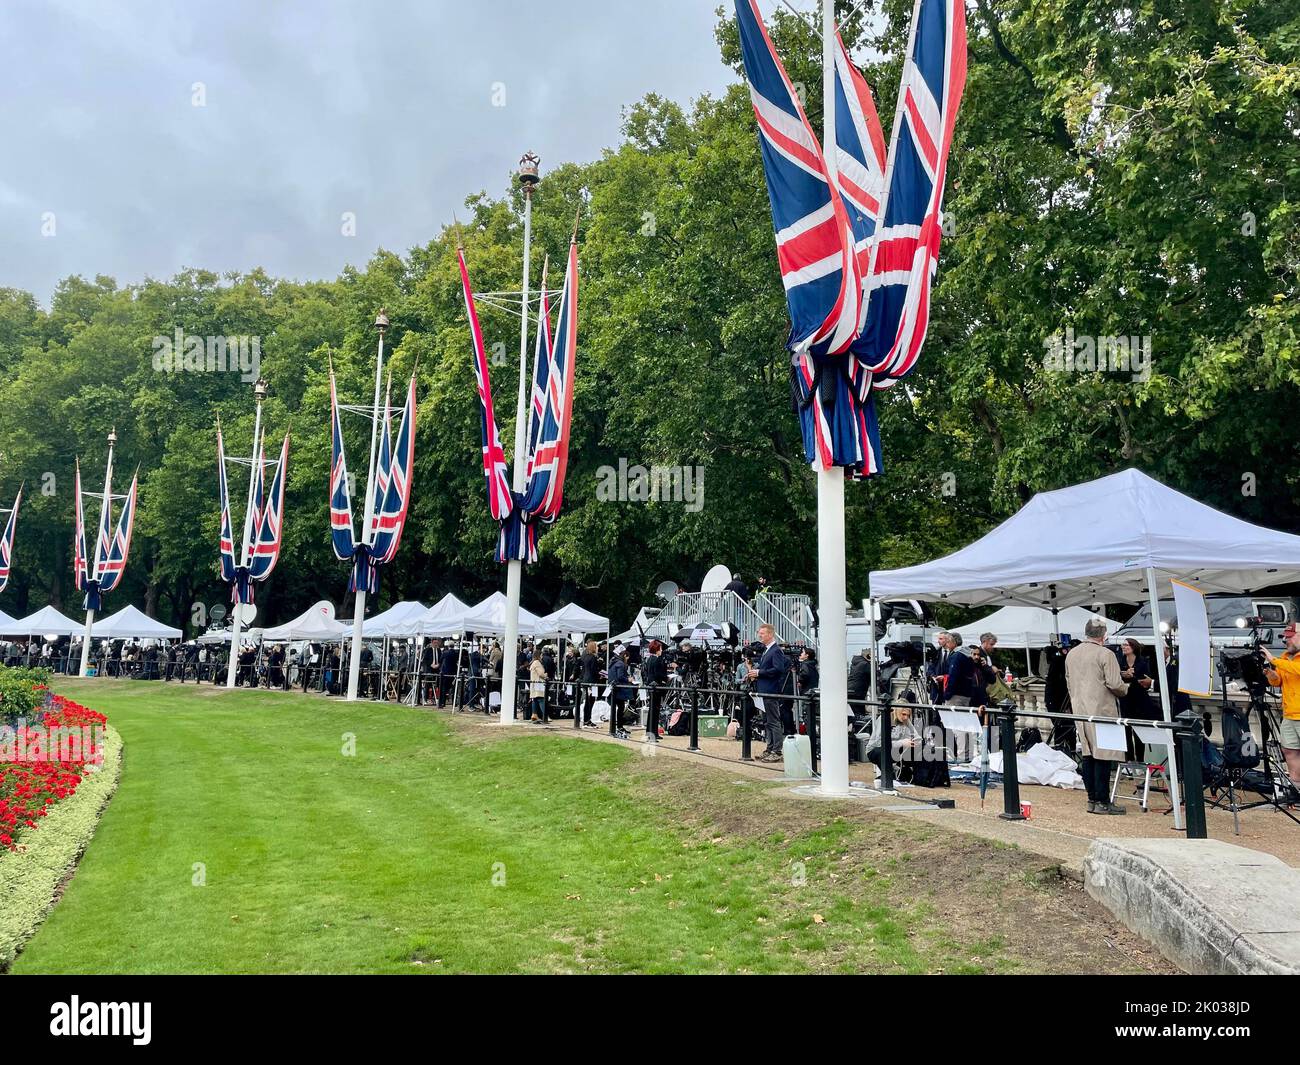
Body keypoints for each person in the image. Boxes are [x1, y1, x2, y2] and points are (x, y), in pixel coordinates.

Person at [1065, 618, 1130, 814]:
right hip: (1101, 709)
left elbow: (1069, 682)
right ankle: (1102, 800)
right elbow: (1115, 684)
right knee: (1104, 755)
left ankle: (1092, 798)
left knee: (1088, 754)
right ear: (1103, 634)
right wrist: (1125, 688)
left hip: (1080, 709)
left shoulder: (1072, 654)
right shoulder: (1106, 654)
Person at [1264, 622, 1300, 789]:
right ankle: (1296, 786)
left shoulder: (1284, 660)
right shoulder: (1285, 658)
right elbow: (1278, 681)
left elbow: (1296, 670)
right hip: (1289, 714)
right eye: (1285, 637)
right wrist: (1270, 673)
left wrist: (1274, 660)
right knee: (1289, 750)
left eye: (1290, 637)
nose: (1286, 640)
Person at [748, 623, 789, 763]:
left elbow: (779, 669)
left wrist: (760, 672)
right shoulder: (767, 650)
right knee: (767, 721)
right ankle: (770, 748)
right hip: (764, 690)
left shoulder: (776, 650)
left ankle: (776, 750)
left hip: (770, 690)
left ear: (770, 634)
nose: (760, 635)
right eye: (760, 633)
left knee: (773, 721)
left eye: (763, 633)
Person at [640, 640, 667, 741]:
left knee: (653, 709)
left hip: (652, 685)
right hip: (656, 686)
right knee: (655, 709)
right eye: (660, 648)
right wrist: (666, 677)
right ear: (656, 650)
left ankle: (652, 731)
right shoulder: (657, 660)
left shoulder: (649, 659)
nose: (661, 650)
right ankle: (653, 733)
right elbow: (658, 674)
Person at [579, 640, 600, 728]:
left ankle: (586, 719)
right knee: (590, 701)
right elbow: (594, 670)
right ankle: (587, 719)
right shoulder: (593, 658)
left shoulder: (584, 657)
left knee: (587, 701)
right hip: (591, 681)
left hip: (585, 680)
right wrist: (600, 675)